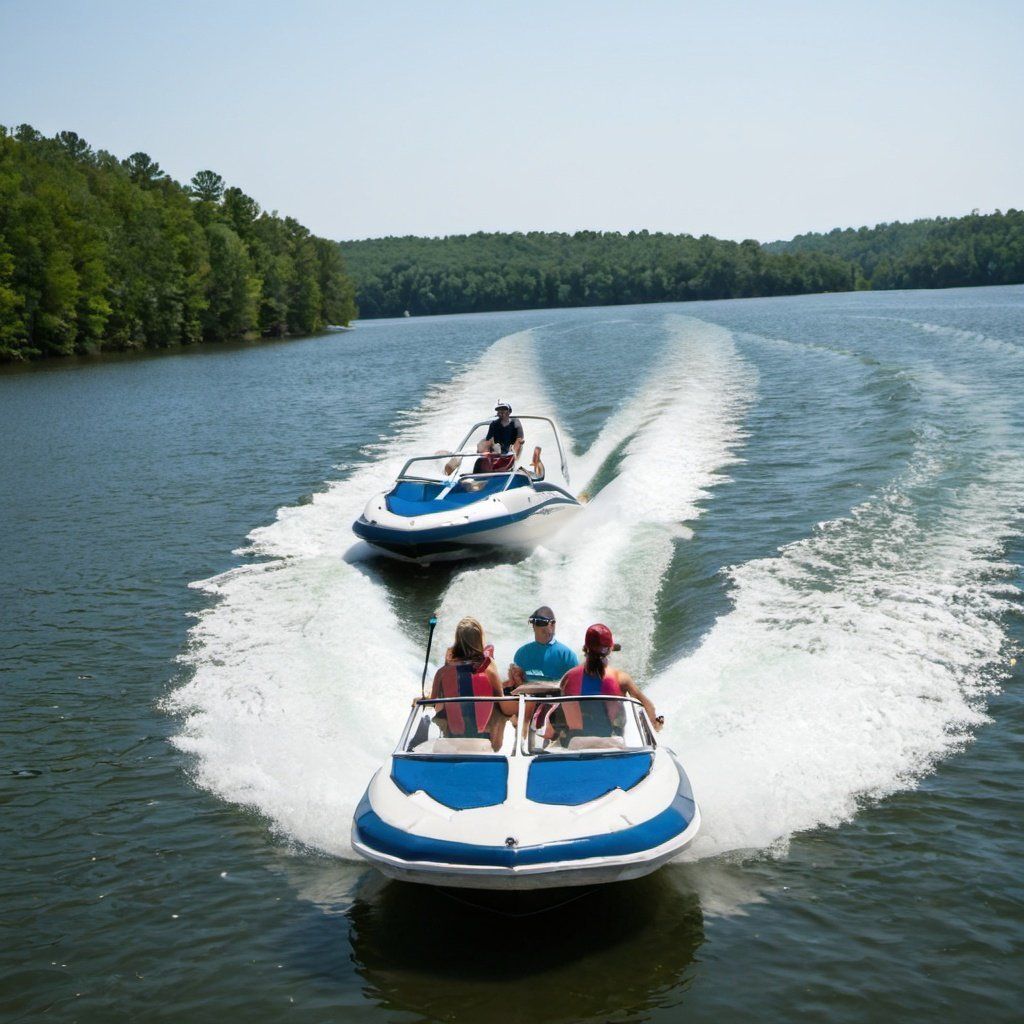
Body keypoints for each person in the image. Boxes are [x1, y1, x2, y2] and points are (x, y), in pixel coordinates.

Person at [556, 624, 664, 741]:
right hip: (611, 744)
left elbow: (559, 711)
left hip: (575, 745)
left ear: (586, 648)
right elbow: (648, 706)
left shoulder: (568, 677)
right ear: (609, 650)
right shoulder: (620, 678)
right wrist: (657, 725)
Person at [430, 617, 514, 751]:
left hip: (452, 737)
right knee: (501, 707)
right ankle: (500, 747)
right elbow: (500, 698)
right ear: (480, 640)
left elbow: (432, 702)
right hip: (485, 737)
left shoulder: (442, 672)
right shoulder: (489, 667)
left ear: (457, 641)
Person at [508, 606, 578, 689]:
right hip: (529, 700)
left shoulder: (567, 656)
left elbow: (575, 687)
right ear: (533, 626)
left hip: (558, 700)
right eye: (537, 623)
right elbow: (517, 686)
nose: (542, 627)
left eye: (543, 622)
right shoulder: (521, 653)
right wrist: (515, 679)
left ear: (553, 624)